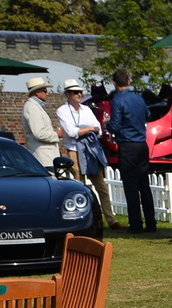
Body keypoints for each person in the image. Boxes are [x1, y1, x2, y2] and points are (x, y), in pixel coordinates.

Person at [57, 79, 117, 229]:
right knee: (79, 187)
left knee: (101, 187)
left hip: (90, 151)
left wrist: (86, 129)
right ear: (67, 94)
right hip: (75, 151)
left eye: (80, 92)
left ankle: (111, 220)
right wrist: (89, 128)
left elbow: (99, 130)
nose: (79, 94)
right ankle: (83, 222)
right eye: (75, 92)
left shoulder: (86, 109)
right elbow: (71, 132)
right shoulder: (62, 111)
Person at [107, 68, 156, 233]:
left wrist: (106, 122)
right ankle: (151, 223)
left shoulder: (117, 100)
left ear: (115, 84)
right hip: (141, 144)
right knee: (144, 184)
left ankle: (136, 224)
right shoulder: (139, 99)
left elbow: (114, 126)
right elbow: (148, 116)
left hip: (127, 144)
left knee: (130, 185)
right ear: (128, 82)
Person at [21, 75, 61, 166]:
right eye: (45, 90)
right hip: (43, 158)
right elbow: (39, 133)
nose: (47, 93)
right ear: (37, 92)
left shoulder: (35, 106)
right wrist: (57, 134)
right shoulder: (32, 108)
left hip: (46, 157)